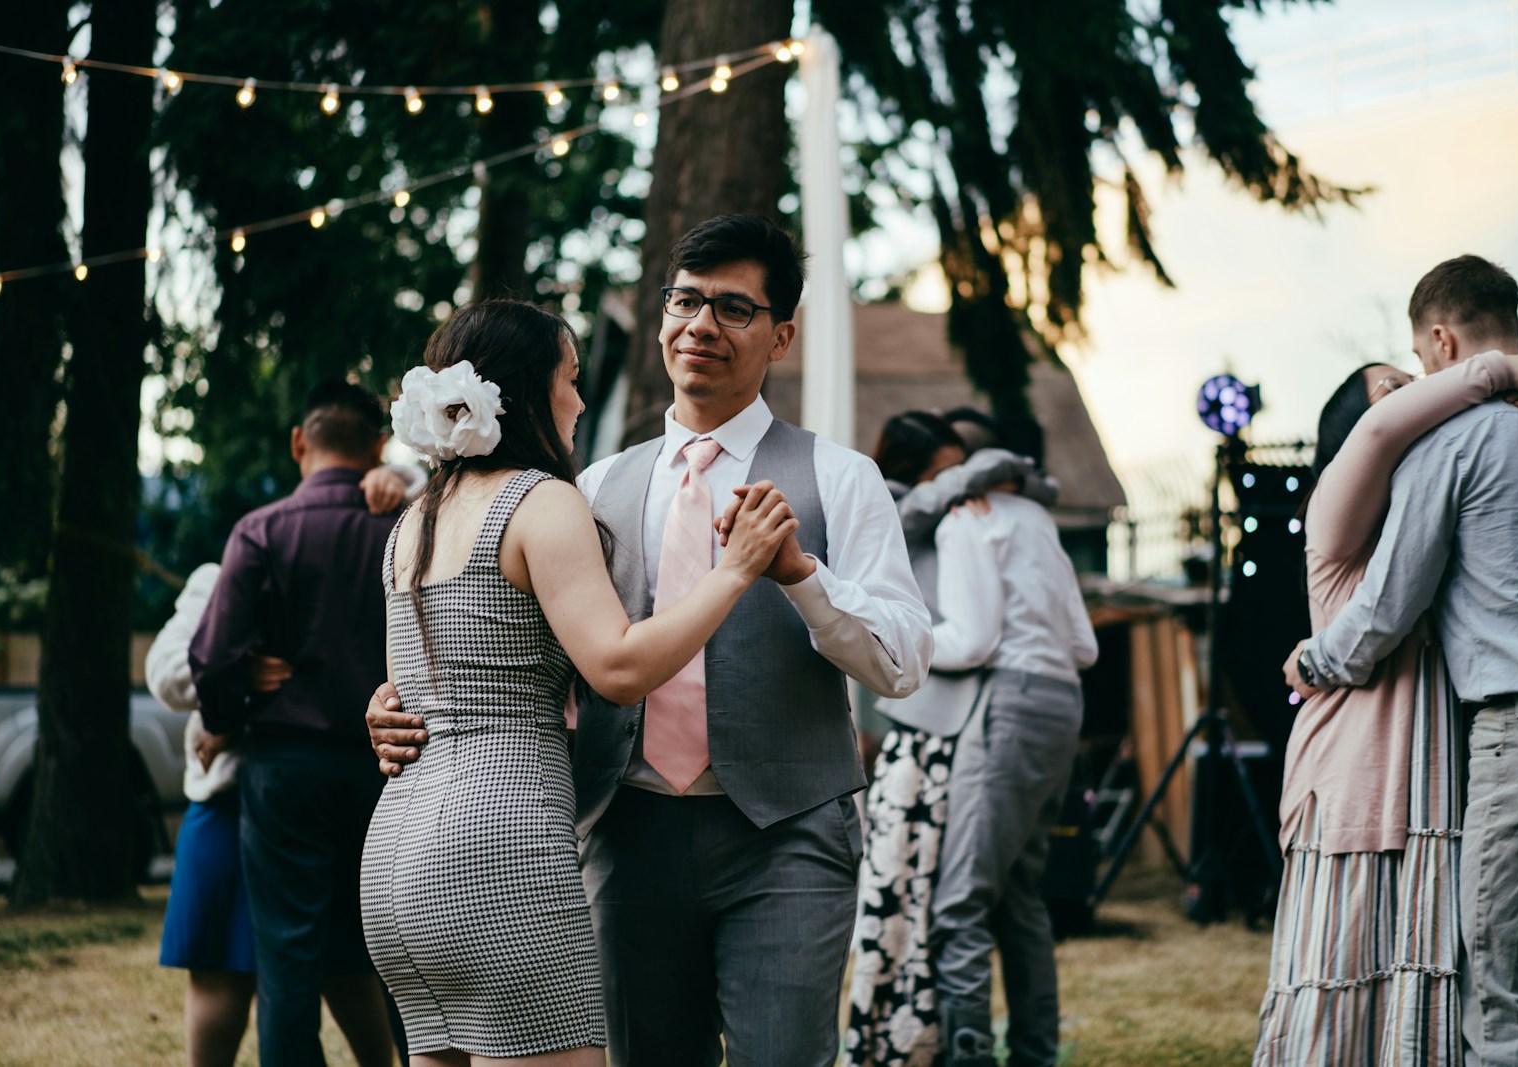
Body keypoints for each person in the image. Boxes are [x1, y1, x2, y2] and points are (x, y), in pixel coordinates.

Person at [368, 214, 933, 1067]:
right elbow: (535, 648)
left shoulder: (840, 477)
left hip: (786, 835)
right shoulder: (589, 485)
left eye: (734, 309)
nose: (701, 325)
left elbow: (902, 664)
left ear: (780, 334)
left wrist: (801, 574)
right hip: (623, 831)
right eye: (686, 301)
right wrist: (404, 699)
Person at [358, 298, 801, 1066]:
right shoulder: (540, 500)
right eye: (570, 376)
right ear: (528, 391)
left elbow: (411, 690)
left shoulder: (415, 519)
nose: (581, 398)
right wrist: (734, 572)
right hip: (497, 850)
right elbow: (619, 667)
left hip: (395, 865)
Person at [1287, 256, 1518, 1067]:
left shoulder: (1453, 444)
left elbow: (1384, 608)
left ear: (1441, 339)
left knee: (1512, 1013)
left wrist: (1314, 660)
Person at [148, 465, 418, 1067]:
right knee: (230, 970)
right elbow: (172, 671)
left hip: (302, 786)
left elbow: (444, 488)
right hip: (235, 797)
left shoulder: (393, 528)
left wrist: (397, 475)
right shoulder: (218, 577)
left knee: (349, 963)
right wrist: (235, 684)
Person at [845, 410, 1055, 1067]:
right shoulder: (892, 510)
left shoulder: (965, 512)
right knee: (912, 892)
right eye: (945, 469)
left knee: (984, 896)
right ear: (915, 470)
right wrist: (981, 472)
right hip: (925, 724)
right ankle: (912, 1040)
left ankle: (998, 1045)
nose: (959, 483)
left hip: (972, 723)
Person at [921, 412, 1098, 1067]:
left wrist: (904, 642)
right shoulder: (1036, 519)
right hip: (1062, 703)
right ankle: (1035, 1052)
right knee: (1020, 895)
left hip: (1011, 702)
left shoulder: (968, 517)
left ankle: (968, 1057)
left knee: (961, 901)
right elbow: (1085, 644)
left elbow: (970, 640)